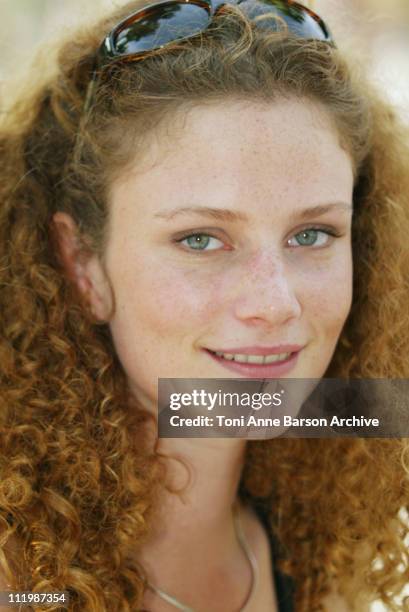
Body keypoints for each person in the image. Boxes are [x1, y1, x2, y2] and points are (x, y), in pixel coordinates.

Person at [0, 0, 408, 610]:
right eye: (200, 239)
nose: (276, 303)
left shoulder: (321, 554)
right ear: (83, 266)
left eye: (313, 234)